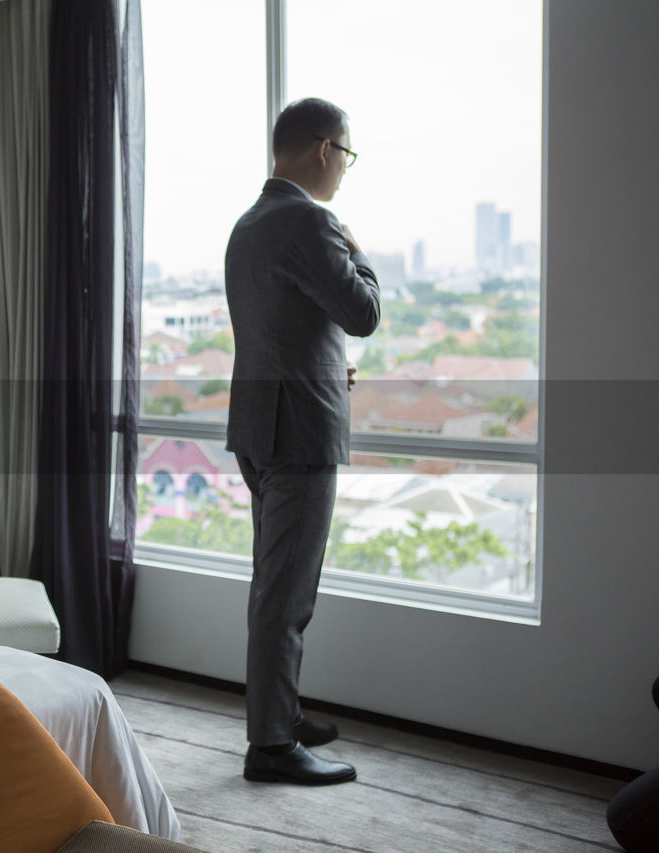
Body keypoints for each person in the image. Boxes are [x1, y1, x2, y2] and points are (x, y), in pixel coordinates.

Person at [224, 97, 381, 785]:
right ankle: (272, 747)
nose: (346, 169)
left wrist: (323, 361)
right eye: (347, 155)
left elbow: (280, 327)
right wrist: (355, 247)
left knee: (274, 585)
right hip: (300, 431)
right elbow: (364, 311)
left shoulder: (248, 223)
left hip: (259, 426)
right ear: (324, 148)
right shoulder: (312, 221)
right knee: (285, 597)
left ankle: (279, 715)